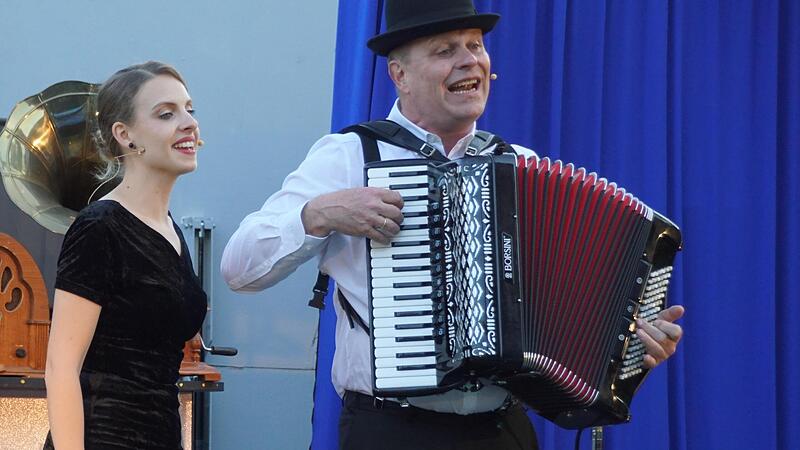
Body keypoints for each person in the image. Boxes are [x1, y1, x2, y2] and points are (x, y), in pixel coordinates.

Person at [221, 1, 685, 449]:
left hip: (503, 432)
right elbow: (240, 268)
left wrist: (629, 348)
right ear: (398, 74)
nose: (470, 62)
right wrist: (320, 213)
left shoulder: (520, 167)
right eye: (446, 51)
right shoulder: (349, 157)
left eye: (476, 46)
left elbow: (576, 310)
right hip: (391, 432)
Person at [44, 61, 206, 450]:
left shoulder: (171, 230)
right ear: (125, 135)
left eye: (189, 109)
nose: (188, 123)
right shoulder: (100, 227)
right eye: (167, 114)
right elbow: (60, 368)